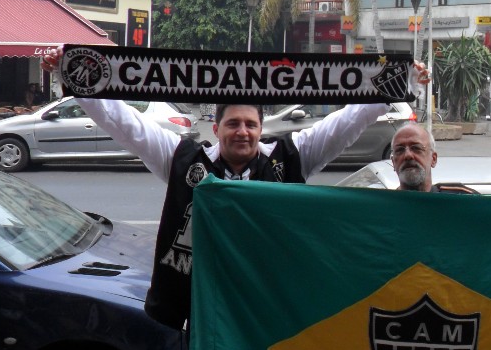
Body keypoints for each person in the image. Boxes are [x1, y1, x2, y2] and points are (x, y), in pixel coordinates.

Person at [41, 47, 429, 329]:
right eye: (233, 124)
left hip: (269, 308)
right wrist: (75, 75)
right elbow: (126, 125)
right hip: (202, 308)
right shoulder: (183, 161)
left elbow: (344, 124)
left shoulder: (291, 157)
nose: (242, 132)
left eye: (250, 124)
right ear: (216, 128)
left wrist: (398, 81)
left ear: (261, 129)